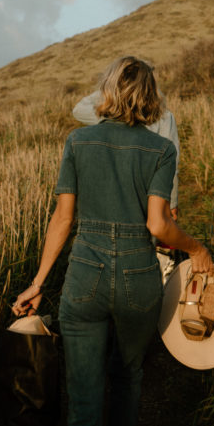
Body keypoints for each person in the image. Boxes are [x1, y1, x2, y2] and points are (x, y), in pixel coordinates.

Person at [12, 56, 213, 426]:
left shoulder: (77, 142)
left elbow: (62, 220)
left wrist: (39, 280)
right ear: (151, 97)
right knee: (127, 382)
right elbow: (159, 228)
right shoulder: (161, 148)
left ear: (106, 92)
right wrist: (198, 249)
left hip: (84, 277)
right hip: (140, 280)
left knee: (83, 410)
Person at [72, 76, 181, 284]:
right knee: (152, 233)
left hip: (114, 190)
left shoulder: (109, 118)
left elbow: (78, 109)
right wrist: (173, 202)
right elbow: (172, 164)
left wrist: (105, 91)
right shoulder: (165, 117)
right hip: (151, 189)